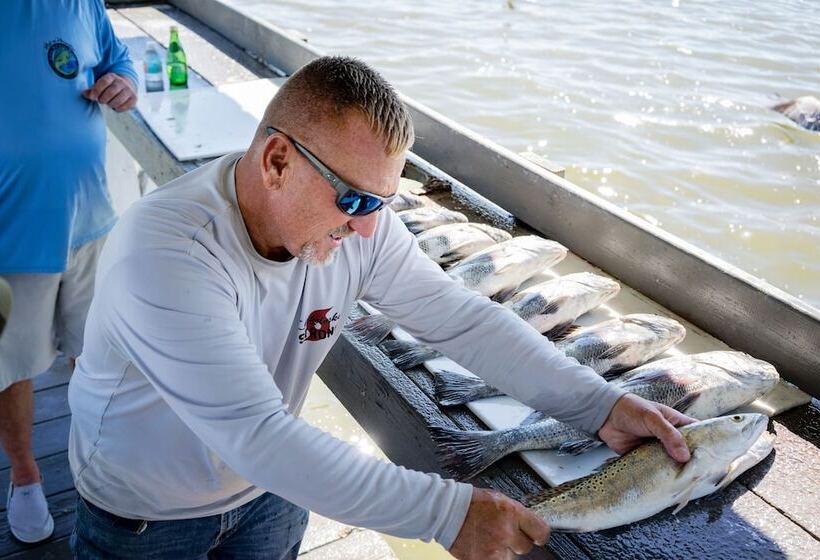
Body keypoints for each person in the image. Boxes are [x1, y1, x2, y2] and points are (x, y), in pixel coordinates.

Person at [68, 56, 692, 560]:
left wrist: (599, 404)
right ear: (277, 161)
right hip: (147, 515)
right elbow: (256, 434)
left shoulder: (359, 228)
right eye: (355, 200)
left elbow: (462, 319)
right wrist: (447, 515)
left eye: (383, 203)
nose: (369, 230)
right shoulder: (168, 251)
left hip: (270, 492)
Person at [0, 0, 137, 544]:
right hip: (9, 241)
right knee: (11, 369)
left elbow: (117, 61)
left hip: (91, 221)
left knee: (100, 355)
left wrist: (122, 83)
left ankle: (101, 461)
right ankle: (26, 476)